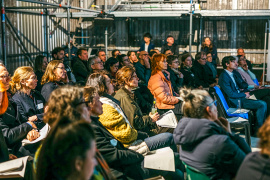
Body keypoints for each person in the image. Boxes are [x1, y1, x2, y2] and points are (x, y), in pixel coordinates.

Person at [86, 72, 184, 180]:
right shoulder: (111, 105)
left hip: (133, 144)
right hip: (131, 149)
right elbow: (128, 132)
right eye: (133, 77)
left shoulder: (131, 94)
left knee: (174, 161)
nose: (137, 78)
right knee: (171, 144)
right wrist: (149, 121)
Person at [173, 88, 251, 180]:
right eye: (214, 103)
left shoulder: (184, 138)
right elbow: (250, 167)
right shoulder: (221, 143)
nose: (216, 108)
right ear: (209, 110)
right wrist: (230, 135)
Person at [218, 56, 267, 128]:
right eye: (233, 62)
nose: (236, 64)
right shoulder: (224, 77)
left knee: (266, 99)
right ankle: (258, 129)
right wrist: (244, 95)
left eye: (236, 62)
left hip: (240, 97)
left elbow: (242, 85)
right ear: (227, 64)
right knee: (262, 104)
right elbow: (231, 94)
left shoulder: (232, 73)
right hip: (236, 101)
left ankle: (262, 127)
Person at [0, 64, 37, 157]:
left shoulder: (10, 101)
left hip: (21, 144)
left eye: (8, 75)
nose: (9, 79)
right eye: (4, 76)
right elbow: (7, 136)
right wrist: (28, 126)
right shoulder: (16, 99)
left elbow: (24, 122)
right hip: (13, 150)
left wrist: (30, 131)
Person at [114, 66, 160, 136]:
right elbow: (136, 123)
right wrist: (150, 118)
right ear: (126, 80)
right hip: (138, 135)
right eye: (134, 77)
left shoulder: (127, 93)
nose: (138, 79)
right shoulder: (124, 97)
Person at [10, 67, 46, 131]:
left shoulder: (37, 94)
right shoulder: (16, 100)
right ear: (23, 81)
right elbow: (25, 122)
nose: (36, 80)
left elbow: (50, 113)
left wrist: (37, 117)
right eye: (33, 78)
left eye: (36, 77)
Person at [148, 54, 182, 120]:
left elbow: (171, 92)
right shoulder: (156, 78)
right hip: (163, 108)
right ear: (157, 63)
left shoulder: (164, 75)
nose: (166, 63)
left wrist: (180, 96)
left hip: (169, 104)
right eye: (164, 61)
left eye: (166, 61)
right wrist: (178, 99)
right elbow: (163, 98)